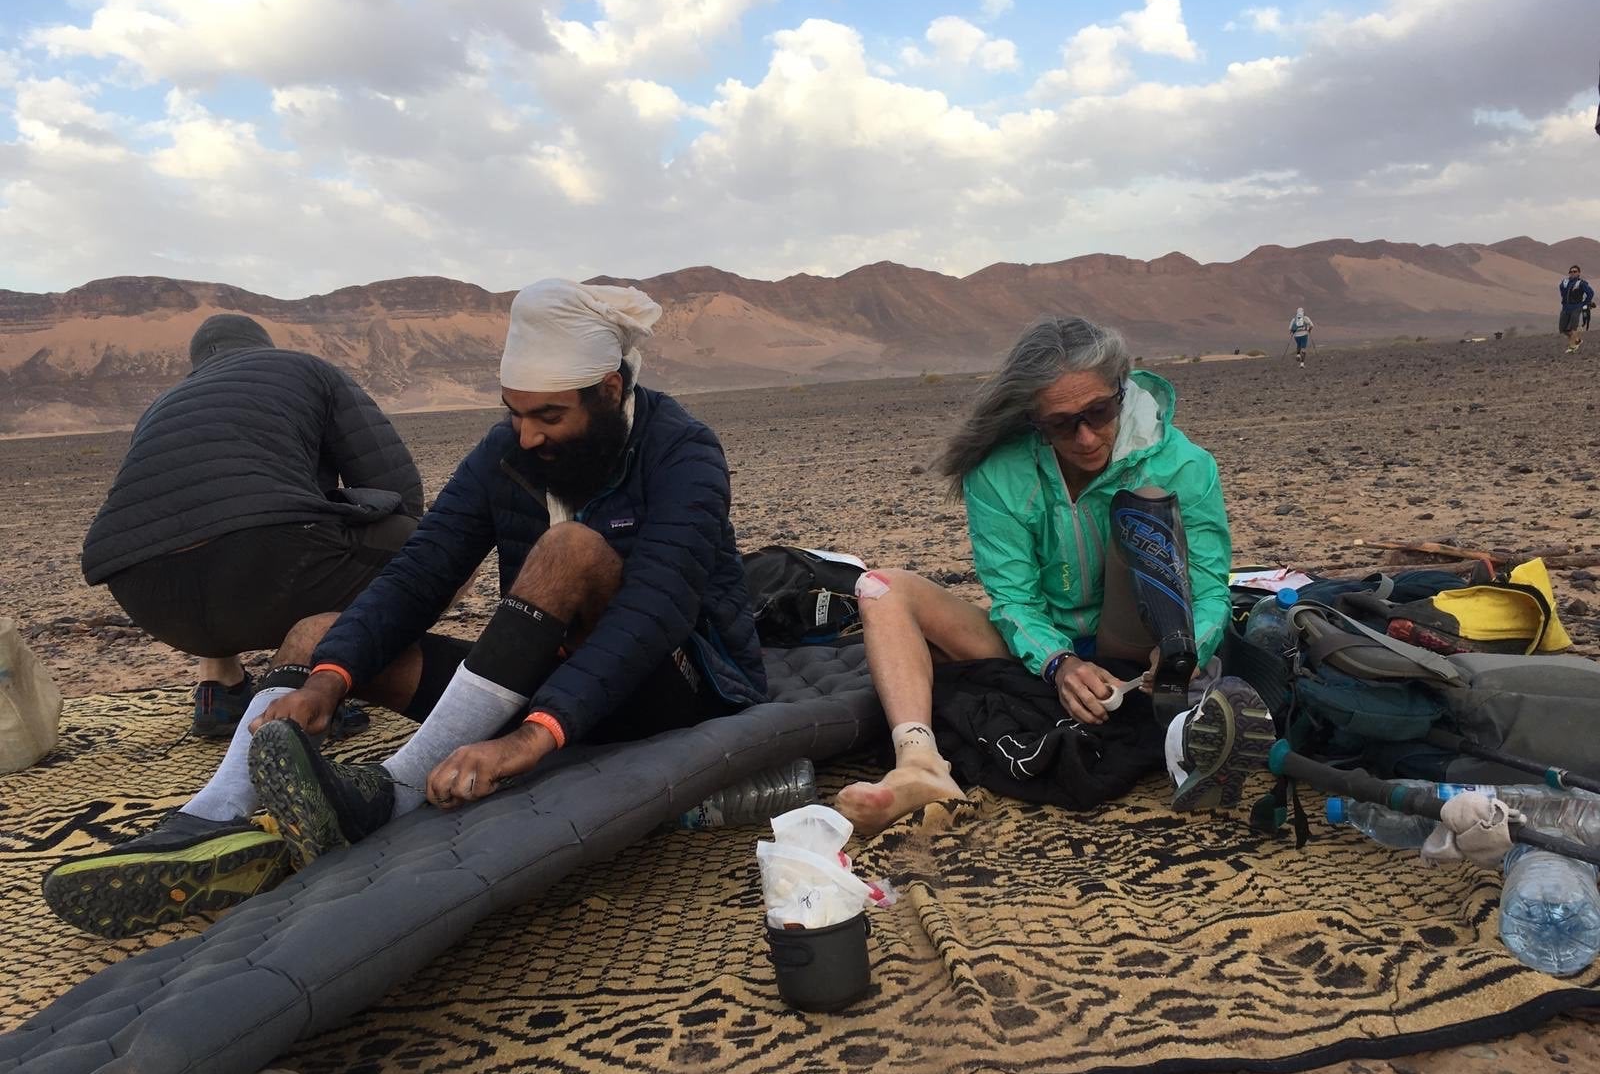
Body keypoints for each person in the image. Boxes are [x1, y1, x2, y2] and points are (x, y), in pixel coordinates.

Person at [44, 281, 767, 938]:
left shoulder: (681, 449)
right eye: (514, 414)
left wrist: (529, 741)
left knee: (570, 548)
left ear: (609, 390)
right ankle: (210, 818)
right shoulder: (506, 452)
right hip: (547, 680)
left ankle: (392, 795)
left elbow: (658, 609)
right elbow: (418, 573)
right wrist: (328, 682)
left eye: (549, 416)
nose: (528, 436)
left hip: (677, 684)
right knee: (316, 633)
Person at [834, 317, 1260, 838]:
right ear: (1033, 419)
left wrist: (1182, 648)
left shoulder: (1184, 465)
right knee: (881, 590)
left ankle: (1178, 709)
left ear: (1122, 390)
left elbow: (1210, 588)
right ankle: (921, 764)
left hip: (1136, 636)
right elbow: (1014, 600)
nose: (1084, 438)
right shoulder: (997, 473)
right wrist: (1059, 663)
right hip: (1042, 644)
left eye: (1099, 413)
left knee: (1148, 507)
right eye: (1061, 424)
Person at [81, 315, 424, 736]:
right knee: (433, 546)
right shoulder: (307, 369)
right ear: (264, 344)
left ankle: (218, 690)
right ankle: (324, 683)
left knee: (209, 527)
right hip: (267, 565)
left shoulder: (164, 403)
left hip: (147, 597)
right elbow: (396, 486)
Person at [1559, 265, 1594, 353]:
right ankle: (1577, 340)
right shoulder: (1565, 282)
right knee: (1563, 329)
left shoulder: (1581, 283)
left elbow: (1590, 293)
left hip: (1576, 307)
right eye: (1571, 271)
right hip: (1565, 307)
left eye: (1575, 271)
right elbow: (1562, 291)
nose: (1573, 273)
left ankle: (1572, 347)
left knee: (1573, 327)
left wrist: (1584, 303)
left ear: (1578, 273)